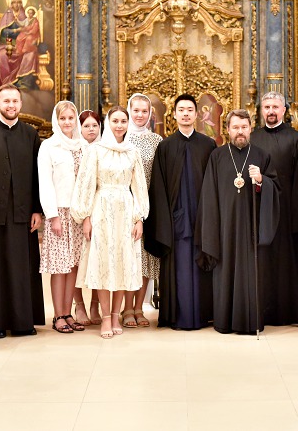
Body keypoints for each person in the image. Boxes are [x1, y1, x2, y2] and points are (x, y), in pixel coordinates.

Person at [197, 109, 280, 334]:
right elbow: (209, 194)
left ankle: (250, 322)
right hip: (224, 228)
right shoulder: (217, 156)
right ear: (227, 130)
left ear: (251, 128)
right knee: (225, 272)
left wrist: (261, 180)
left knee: (251, 275)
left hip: (252, 227)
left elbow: (275, 188)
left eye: (244, 127)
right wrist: (212, 228)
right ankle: (224, 321)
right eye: (235, 127)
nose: (240, 132)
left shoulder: (262, 155)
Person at [0, 83, 44, 338]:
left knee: (22, 269)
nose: (11, 105)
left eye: (15, 101)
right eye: (6, 101)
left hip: (23, 214)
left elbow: (38, 176)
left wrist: (37, 210)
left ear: (20, 104)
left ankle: (23, 322)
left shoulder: (31, 135)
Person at [71, 106, 149, 339]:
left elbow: (139, 187)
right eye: (115, 121)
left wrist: (139, 218)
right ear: (108, 123)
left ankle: (116, 315)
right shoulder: (95, 150)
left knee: (122, 263)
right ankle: (106, 317)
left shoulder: (132, 151)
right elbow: (85, 184)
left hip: (126, 209)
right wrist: (85, 217)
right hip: (101, 209)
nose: (119, 125)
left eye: (123, 121)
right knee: (104, 263)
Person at [144, 94, 216, 330]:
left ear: (196, 114)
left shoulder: (208, 145)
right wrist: (164, 223)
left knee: (200, 264)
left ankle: (204, 314)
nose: (185, 114)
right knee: (179, 268)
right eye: (181, 110)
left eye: (189, 110)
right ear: (173, 114)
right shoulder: (165, 147)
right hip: (175, 220)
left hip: (202, 217)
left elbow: (214, 184)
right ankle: (176, 316)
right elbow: (158, 188)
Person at [250, 91, 298, 326]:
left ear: (284, 111)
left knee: (289, 264)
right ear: (261, 111)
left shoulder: (295, 139)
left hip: (288, 213)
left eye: (275, 107)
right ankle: (263, 311)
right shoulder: (253, 138)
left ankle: (291, 312)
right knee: (264, 263)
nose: (271, 111)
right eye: (267, 107)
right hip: (260, 211)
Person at [38, 101, 86, 334]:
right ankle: (58, 315)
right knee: (59, 266)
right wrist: (53, 216)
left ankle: (68, 313)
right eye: (63, 118)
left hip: (78, 213)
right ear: (56, 121)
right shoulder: (49, 146)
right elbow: (45, 183)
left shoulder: (83, 146)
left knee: (73, 265)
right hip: (59, 213)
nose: (67, 122)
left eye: (71, 118)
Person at [123, 94, 162, 328]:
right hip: (125, 205)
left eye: (144, 111)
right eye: (135, 110)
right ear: (129, 111)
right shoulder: (120, 137)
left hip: (149, 205)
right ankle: (126, 308)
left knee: (146, 258)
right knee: (129, 258)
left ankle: (139, 308)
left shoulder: (157, 140)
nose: (139, 115)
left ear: (150, 114)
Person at [73, 109, 102, 326]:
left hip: (100, 209)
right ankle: (79, 305)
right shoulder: (75, 149)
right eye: (86, 126)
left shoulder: (105, 148)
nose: (91, 129)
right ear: (79, 128)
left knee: (97, 259)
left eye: (95, 125)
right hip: (77, 211)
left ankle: (95, 305)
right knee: (77, 261)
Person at [0, 0, 38, 88]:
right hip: (6, 43)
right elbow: (3, 31)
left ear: (21, 3)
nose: (16, 5)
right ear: (11, 4)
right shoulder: (7, 15)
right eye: (14, 2)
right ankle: (6, 83)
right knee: (2, 55)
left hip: (22, 43)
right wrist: (14, 31)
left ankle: (23, 81)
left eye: (19, 2)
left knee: (30, 53)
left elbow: (29, 29)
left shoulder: (26, 15)